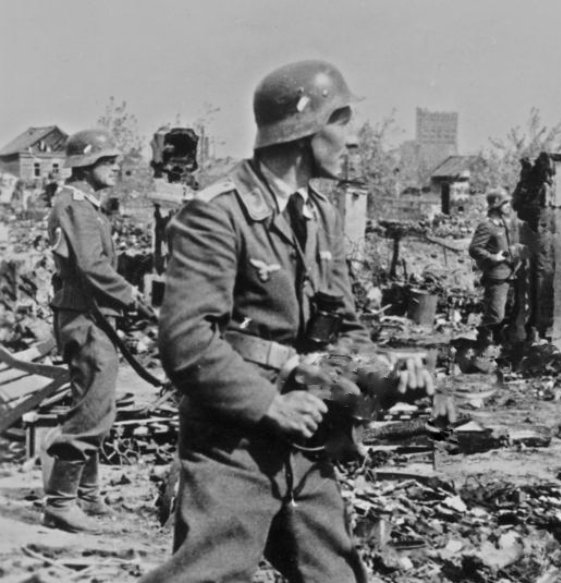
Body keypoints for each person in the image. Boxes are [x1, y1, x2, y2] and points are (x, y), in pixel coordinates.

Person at [141, 60, 438, 583]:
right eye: (341, 123)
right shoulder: (218, 214)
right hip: (232, 444)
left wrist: (385, 375)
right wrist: (270, 405)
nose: (351, 140)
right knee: (209, 574)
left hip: (307, 442)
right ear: (304, 130)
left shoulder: (321, 214)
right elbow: (186, 342)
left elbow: (344, 329)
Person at [44, 128, 139, 533]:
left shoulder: (86, 205)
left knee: (97, 404)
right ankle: (61, 503)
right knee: (92, 407)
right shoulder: (77, 205)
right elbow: (91, 266)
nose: (115, 167)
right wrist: (131, 295)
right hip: (87, 318)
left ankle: (87, 494)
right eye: (108, 161)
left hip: (92, 315)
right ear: (86, 163)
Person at [469, 188, 525, 346]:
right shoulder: (487, 226)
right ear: (495, 205)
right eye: (505, 202)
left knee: (509, 315)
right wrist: (493, 258)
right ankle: (481, 345)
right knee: (495, 316)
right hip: (496, 277)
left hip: (510, 275)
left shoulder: (505, 224)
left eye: (508, 202)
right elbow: (474, 249)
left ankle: (497, 348)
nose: (508, 205)